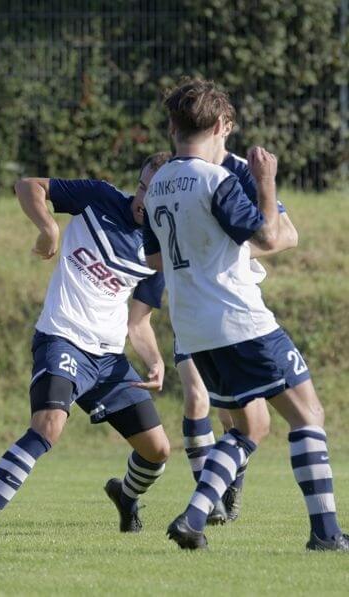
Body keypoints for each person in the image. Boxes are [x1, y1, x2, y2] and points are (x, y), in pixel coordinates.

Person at [145, 78, 346, 551]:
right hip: (241, 321)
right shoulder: (217, 181)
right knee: (309, 416)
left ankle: (194, 518)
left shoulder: (155, 189)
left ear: (172, 126)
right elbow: (271, 239)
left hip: (194, 331)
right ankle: (326, 534)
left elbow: (155, 261)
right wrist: (265, 181)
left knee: (252, 427)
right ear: (220, 126)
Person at [0, 153, 173, 540]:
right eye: (141, 187)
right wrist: (49, 229)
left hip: (109, 359)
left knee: (158, 451)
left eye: (154, 193)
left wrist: (154, 360)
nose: (142, 198)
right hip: (63, 339)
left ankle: (125, 496)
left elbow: (138, 322)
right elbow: (28, 185)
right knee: (48, 426)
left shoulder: (159, 252)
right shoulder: (99, 197)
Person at [176, 110, 300, 525]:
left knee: (238, 420)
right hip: (193, 304)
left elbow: (285, 235)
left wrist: (227, 247)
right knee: (202, 400)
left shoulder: (240, 171)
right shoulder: (177, 170)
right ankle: (204, 507)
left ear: (226, 128)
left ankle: (224, 495)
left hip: (232, 303)